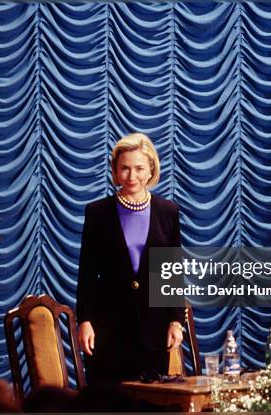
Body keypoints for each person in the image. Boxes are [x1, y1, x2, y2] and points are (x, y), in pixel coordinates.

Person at [76, 132, 184, 384]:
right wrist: (85, 320)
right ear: (115, 171)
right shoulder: (98, 212)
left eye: (139, 168)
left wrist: (176, 320)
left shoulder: (168, 212)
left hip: (154, 329)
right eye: (124, 168)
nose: (131, 176)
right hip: (107, 328)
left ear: (151, 171)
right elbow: (87, 272)